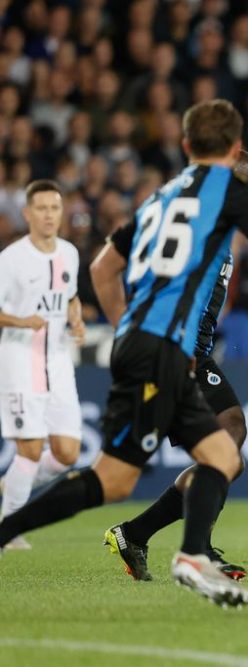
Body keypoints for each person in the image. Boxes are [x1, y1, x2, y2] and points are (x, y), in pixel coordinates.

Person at [0, 100, 248, 609]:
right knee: (118, 476)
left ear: (185, 146)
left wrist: (128, 328)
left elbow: (104, 267)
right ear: (233, 153)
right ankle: (174, 550)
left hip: (156, 346)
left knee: (222, 450)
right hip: (166, 351)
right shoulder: (225, 193)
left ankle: (181, 551)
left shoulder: (162, 198)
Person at [91, 151, 248, 583]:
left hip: (194, 353)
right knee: (229, 440)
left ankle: (136, 534)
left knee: (230, 450)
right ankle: (196, 550)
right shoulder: (196, 228)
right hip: (175, 354)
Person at [0, 180, 85, 551]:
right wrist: (21, 321)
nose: (49, 215)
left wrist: (76, 317)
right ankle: (9, 528)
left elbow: (71, 296)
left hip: (58, 360)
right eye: (42, 208)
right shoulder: (11, 259)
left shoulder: (69, 253)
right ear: (27, 213)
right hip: (20, 360)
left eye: (55, 208)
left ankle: (10, 486)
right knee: (30, 450)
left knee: (67, 453)